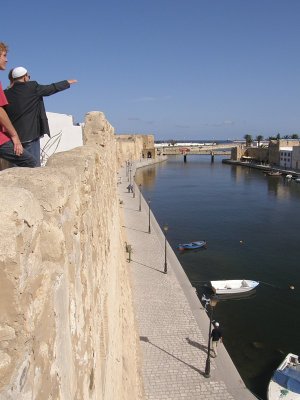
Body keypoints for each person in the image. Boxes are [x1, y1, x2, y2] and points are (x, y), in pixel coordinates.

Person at [4, 66, 77, 166]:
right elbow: (50, 88)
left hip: (14, 139)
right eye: (28, 76)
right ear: (25, 77)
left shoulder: (6, 93)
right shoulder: (32, 87)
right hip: (31, 137)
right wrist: (66, 82)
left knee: (16, 170)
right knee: (34, 167)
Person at [0, 42, 36, 167]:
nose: (6, 60)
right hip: (3, 139)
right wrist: (14, 136)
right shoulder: (33, 88)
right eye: (4, 56)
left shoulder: (7, 91)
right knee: (31, 162)